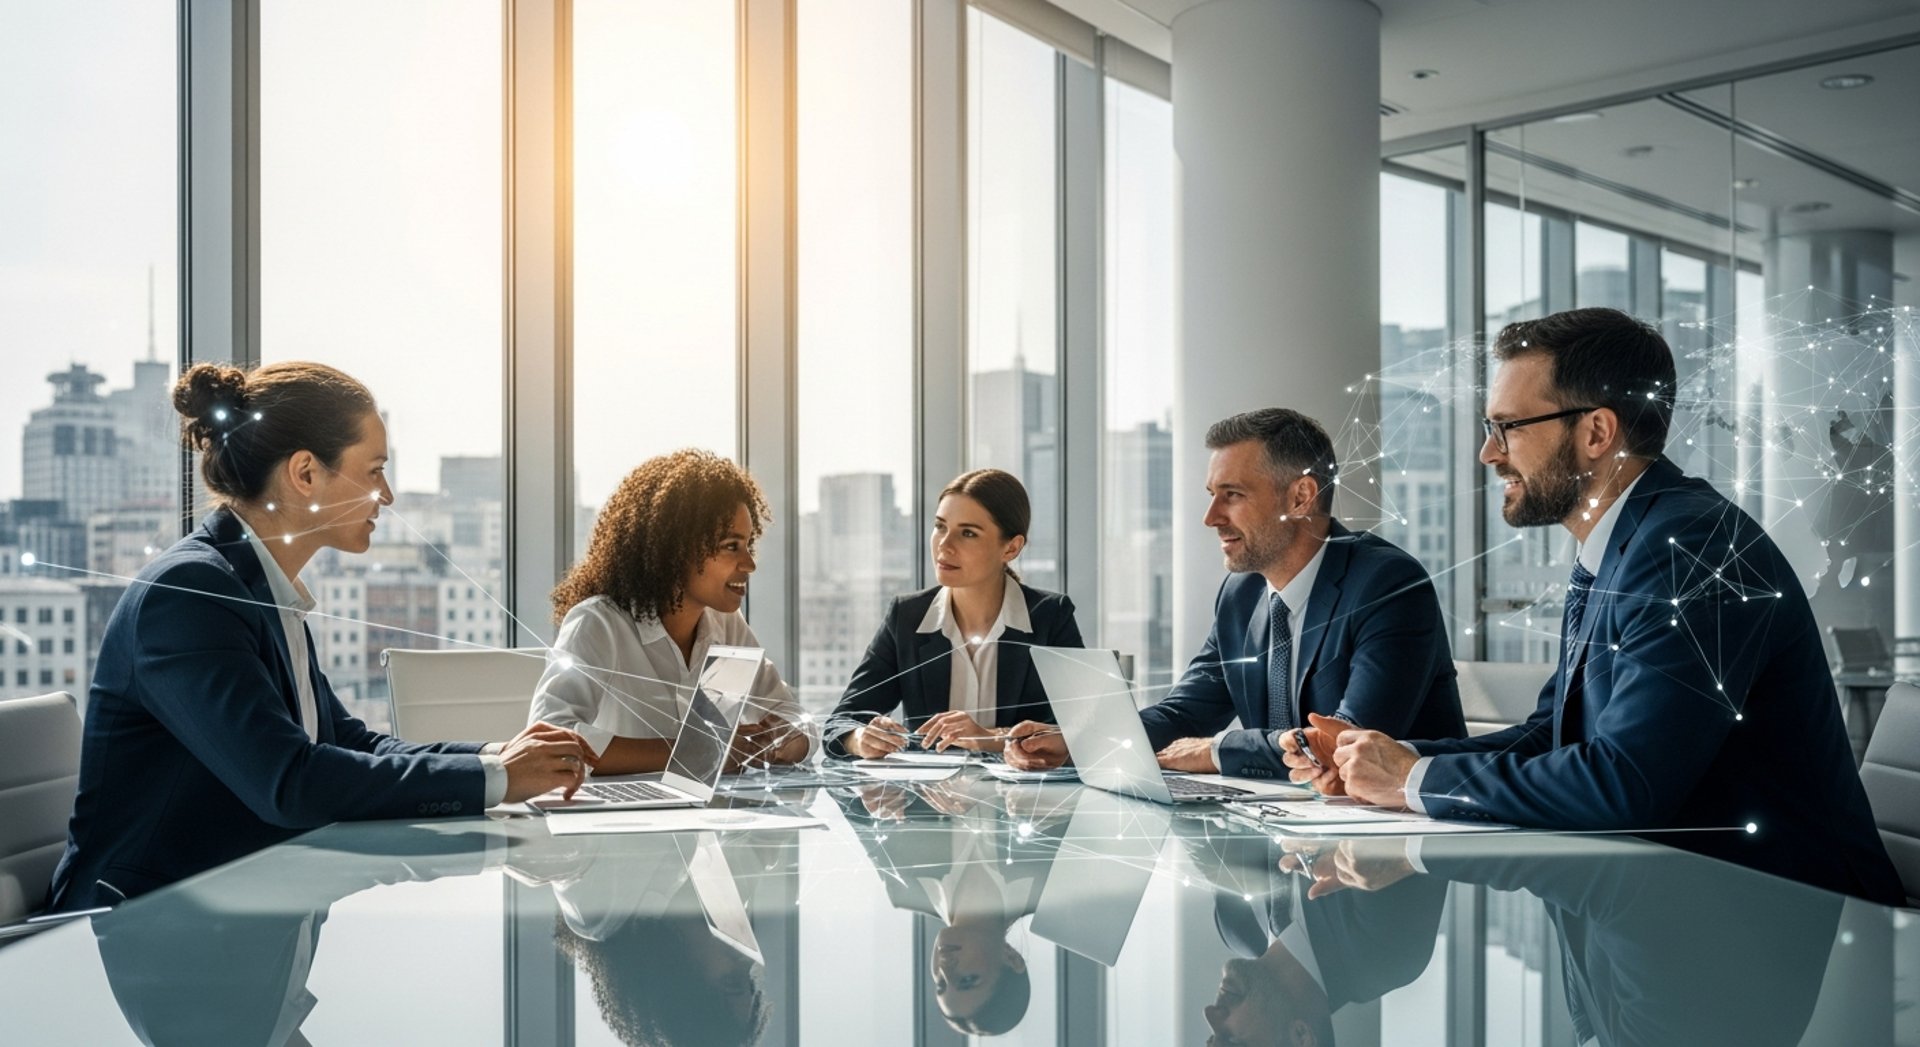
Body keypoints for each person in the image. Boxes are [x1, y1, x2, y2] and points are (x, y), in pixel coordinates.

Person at [1297, 307, 1904, 904]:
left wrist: (1410, 780)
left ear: (1595, 432)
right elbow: (1554, 736)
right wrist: (1386, 761)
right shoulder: (1625, 544)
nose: (1488, 452)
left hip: (1787, 916)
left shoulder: (1688, 548)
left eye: (1507, 426)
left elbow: (1624, 783)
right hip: (1680, 905)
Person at [48, 362, 590, 913]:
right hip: (140, 928)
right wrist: (496, 776)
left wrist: (500, 754)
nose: (387, 495)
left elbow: (348, 743)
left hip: (237, 912)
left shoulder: (257, 589)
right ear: (305, 473)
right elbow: (289, 782)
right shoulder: (191, 593)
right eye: (374, 471)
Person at [1005, 409, 1462, 778]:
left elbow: (1345, 742)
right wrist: (1085, 740)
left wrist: (1218, 750)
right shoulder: (1241, 594)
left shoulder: (1388, 584)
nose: (1211, 517)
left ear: (1301, 496)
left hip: (1396, 840)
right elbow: (1187, 711)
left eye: (1233, 495)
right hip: (1287, 827)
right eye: (1212, 494)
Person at [530, 450, 813, 774]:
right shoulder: (599, 623)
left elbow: (794, 719)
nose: (749, 564)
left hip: (712, 805)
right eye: (731, 546)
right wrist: (696, 751)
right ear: (676, 548)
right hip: (624, 806)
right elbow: (548, 742)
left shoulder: (726, 625)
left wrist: (782, 740)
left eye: (748, 545)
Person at [826, 469, 1084, 759]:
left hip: (1020, 789)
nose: (944, 545)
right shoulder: (907, 617)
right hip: (928, 789)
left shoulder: (1050, 616)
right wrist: (860, 739)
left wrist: (991, 738)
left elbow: (1085, 731)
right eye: (940, 526)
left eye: (968, 533)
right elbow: (841, 723)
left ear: (1011, 548)